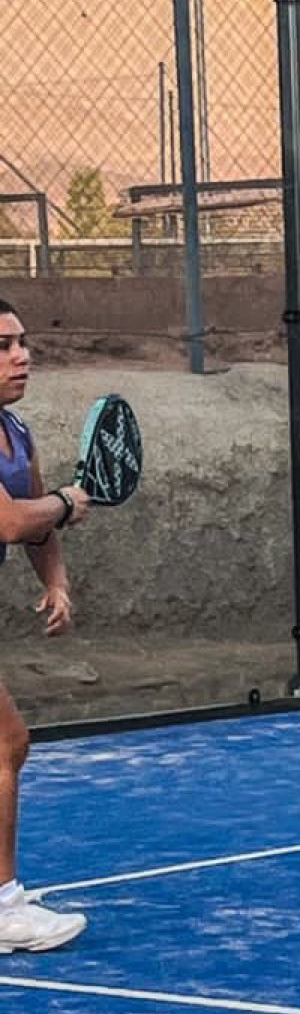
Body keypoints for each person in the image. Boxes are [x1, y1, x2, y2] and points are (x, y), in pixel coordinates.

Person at [0, 305, 91, 950]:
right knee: (4, 744)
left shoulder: (16, 432)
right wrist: (65, 501)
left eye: (23, 342)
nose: (21, 356)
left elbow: (35, 524)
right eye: (3, 345)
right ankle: (3, 907)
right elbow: (11, 520)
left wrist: (54, 581)